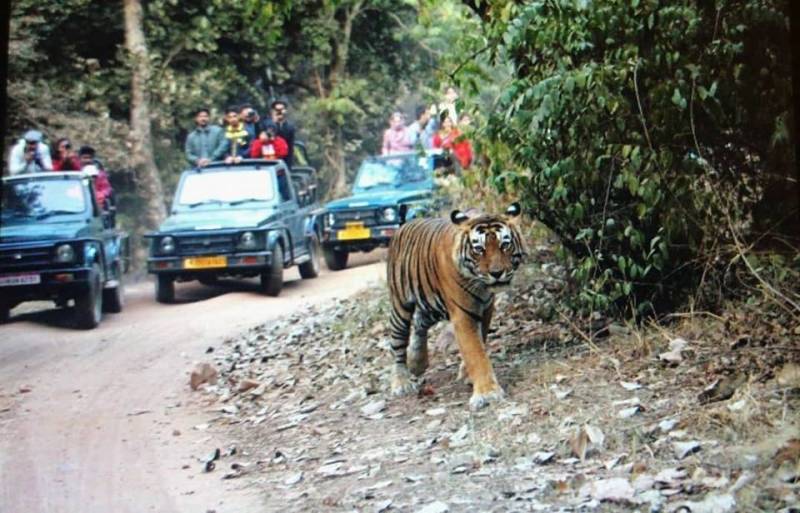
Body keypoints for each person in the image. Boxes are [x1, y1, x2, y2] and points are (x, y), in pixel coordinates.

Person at [268, 99, 296, 168]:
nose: (279, 112)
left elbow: (290, 148)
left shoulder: (290, 127)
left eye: (281, 109)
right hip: (270, 159)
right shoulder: (267, 124)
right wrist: (274, 122)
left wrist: (289, 165)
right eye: (277, 110)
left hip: (284, 160)